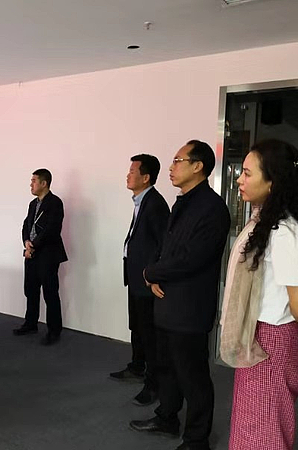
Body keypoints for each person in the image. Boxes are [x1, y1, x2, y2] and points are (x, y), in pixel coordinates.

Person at [220, 139, 298, 450]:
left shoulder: (285, 232)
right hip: (261, 336)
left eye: (247, 173)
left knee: (264, 430)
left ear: (273, 182)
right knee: (253, 423)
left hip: (273, 341)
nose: (239, 180)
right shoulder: (265, 222)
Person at [130, 140, 231, 450]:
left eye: (177, 161)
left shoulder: (212, 209)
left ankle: (197, 439)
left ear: (198, 166)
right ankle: (166, 417)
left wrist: (152, 273)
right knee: (167, 367)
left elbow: (192, 258)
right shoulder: (181, 203)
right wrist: (151, 272)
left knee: (193, 375)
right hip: (166, 301)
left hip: (190, 307)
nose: (171, 167)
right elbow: (163, 247)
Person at [109, 154, 169, 408]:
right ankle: (137, 366)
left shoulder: (155, 204)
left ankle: (153, 385)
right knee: (137, 327)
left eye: (133, 171)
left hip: (146, 280)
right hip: (135, 277)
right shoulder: (142, 201)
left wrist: (153, 275)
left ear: (145, 177)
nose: (128, 174)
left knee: (149, 333)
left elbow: (163, 244)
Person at [13, 168, 68, 345]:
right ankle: (30, 323)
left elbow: (52, 230)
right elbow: (26, 225)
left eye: (34, 181)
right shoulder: (32, 204)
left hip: (48, 254)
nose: (31, 184)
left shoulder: (55, 203)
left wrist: (34, 245)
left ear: (44, 183)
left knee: (50, 293)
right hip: (31, 253)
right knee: (30, 290)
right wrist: (26, 242)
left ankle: (54, 330)